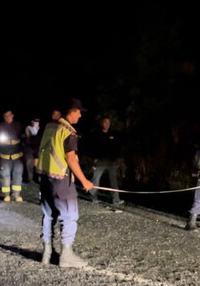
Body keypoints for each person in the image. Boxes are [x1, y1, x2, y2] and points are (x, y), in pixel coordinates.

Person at [35, 98, 94, 268]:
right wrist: (85, 181)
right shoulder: (69, 131)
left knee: (48, 214)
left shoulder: (49, 126)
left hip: (45, 177)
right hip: (61, 180)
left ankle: (47, 253)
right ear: (72, 111)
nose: (80, 115)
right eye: (79, 112)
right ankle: (66, 256)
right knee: (69, 215)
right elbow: (71, 159)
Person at [88, 117, 125, 206]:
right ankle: (93, 196)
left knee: (113, 180)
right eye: (105, 122)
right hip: (100, 161)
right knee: (96, 179)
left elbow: (117, 146)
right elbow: (92, 147)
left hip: (111, 161)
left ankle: (116, 199)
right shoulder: (96, 134)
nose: (107, 124)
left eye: (108, 122)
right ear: (101, 123)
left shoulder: (113, 134)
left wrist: (117, 158)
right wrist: (94, 158)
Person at [0, 110, 24, 202]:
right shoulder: (0, 127)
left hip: (17, 154)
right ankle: (6, 194)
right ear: (4, 117)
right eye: (6, 115)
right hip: (4, 155)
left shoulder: (18, 126)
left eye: (9, 115)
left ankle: (16, 194)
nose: (8, 117)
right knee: (5, 175)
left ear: (12, 115)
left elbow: (24, 138)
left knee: (17, 174)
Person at [22, 118, 41, 183]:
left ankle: (36, 177)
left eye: (37, 122)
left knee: (36, 163)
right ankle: (28, 177)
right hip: (29, 147)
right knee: (28, 162)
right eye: (35, 122)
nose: (36, 123)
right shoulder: (28, 128)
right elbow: (28, 137)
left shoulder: (39, 129)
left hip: (36, 148)